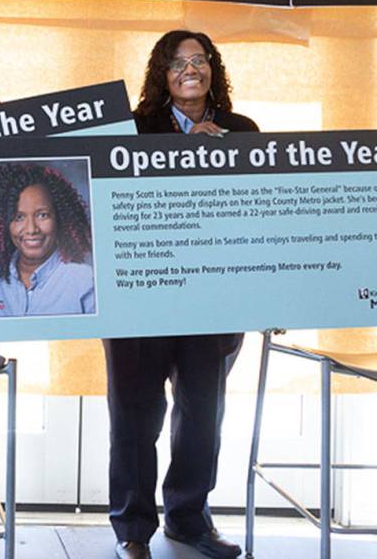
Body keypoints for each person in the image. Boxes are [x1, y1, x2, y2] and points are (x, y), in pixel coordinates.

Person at [105, 30, 258, 559]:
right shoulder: (132, 128)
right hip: (140, 296)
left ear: (213, 68)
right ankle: (132, 529)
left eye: (199, 60)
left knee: (201, 415)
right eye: (177, 62)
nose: (190, 69)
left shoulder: (242, 130)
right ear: (161, 74)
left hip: (212, 295)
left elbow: (257, 206)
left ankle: (189, 519)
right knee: (134, 415)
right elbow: (112, 198)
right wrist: (183, 152)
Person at [0, 162, 95, 317]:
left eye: (42, 215)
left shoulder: (85, 282)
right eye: (18, 217)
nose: (31, 229)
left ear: (60, 218)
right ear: (2, 223)